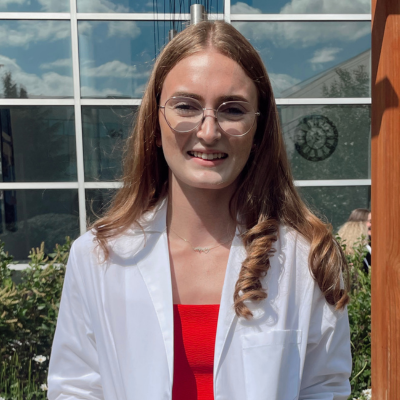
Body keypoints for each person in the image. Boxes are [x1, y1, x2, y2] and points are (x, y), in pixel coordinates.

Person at [48, 21, 352, 400]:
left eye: (233, 109)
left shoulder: (307, 260)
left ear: (258, 131)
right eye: (186, 106)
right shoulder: (97, 258)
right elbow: (75, 389)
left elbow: (325, 389)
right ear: (155, 124)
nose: (208, 131)